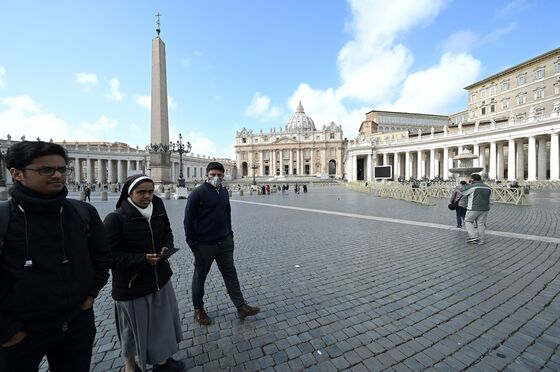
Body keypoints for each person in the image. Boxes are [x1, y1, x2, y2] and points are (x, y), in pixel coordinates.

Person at [0, 141, 111, 372]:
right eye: (45, 170)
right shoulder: (4, 217)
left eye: (62, 169)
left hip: (76, 325)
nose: (58, 175)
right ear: (16, 173)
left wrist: (91, 293)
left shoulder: (83, 212)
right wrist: (7, 329)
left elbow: (102, 257)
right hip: (21, 332)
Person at [103, 175, 184, 372]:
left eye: (150, 191)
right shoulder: (115, 219)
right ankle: (130, 367)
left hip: (160, 278)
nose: (147, 196)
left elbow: (168, 232)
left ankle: (162, 362)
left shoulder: (158, 209)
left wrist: (166, 246)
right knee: (130, 328)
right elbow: (109, 257)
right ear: (129, 193)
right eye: (141, 192)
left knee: (161, 323)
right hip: (132, 285)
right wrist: (142, 259)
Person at [184, 162, 260, 325]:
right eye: (213, 174)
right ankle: (199, 309)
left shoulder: (224, 192)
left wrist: (229, 234)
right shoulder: (197, 194)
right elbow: (188, 221)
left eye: (219, 175)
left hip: (224, 242)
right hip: (205, 244)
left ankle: (241, 307)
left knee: (230, 274)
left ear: (223, 176)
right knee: (200, 277)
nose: (216, 178)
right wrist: (193, 245)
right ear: (207, 175)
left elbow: (227, 213)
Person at [462, 173, 493, 245]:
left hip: (473, 208)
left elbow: (463, 192)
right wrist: (487, 207)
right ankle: (481, 240)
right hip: (485, 209)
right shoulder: (488, 187)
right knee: (481, 224)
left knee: (468, 221)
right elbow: (491, 200)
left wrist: (468, 184)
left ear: (472, 179)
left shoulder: (473, 187)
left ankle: (473, 236)